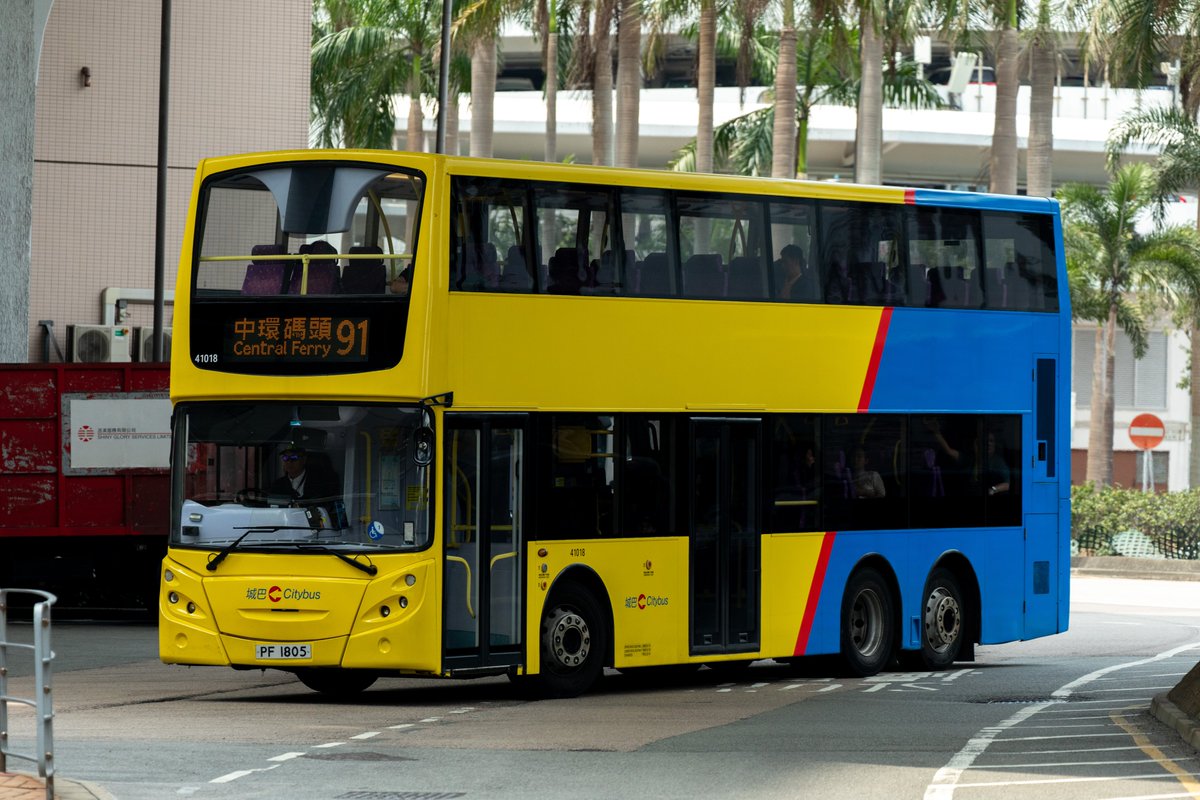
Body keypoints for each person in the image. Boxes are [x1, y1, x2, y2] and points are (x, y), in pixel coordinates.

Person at [268, 445, 340, 505]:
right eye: (285, 458)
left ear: (304, 460)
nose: (289, 462)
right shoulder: (277, 485)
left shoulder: (320, 482)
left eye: (294, 458)